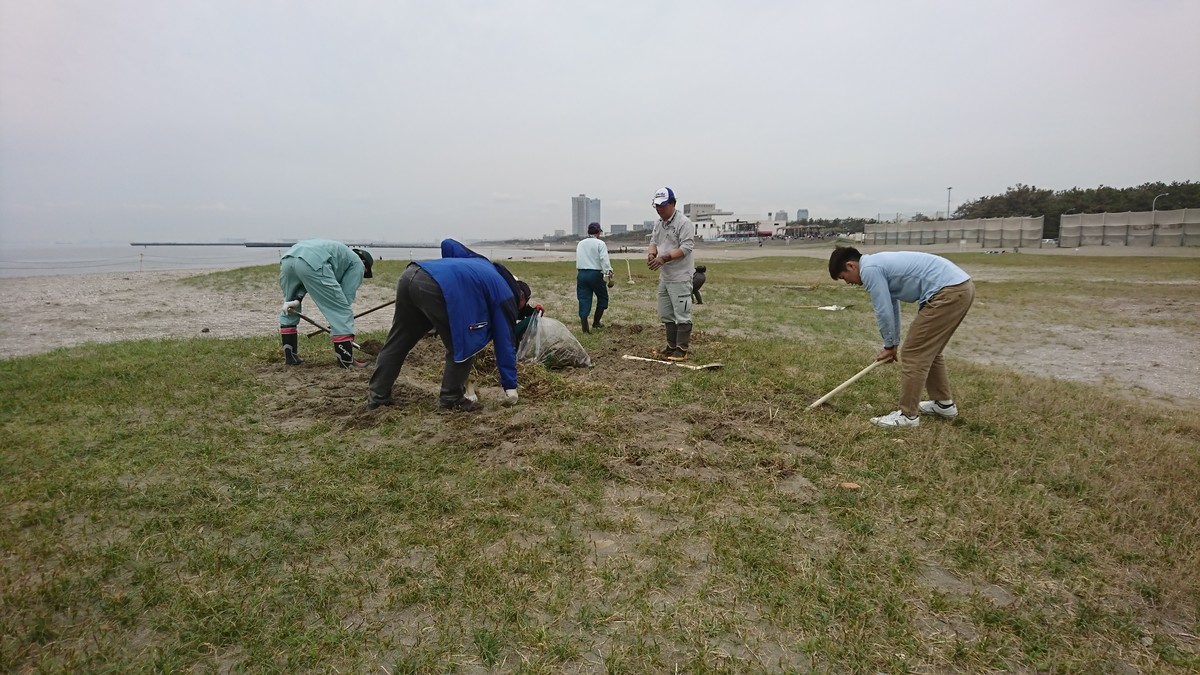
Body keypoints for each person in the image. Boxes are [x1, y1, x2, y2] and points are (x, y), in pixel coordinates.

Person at [367, 239, 530, 412]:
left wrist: (451, 273)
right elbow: (504, 343)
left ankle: (378, 396)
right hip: (436, 288)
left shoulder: (482, 264)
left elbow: (448, 244)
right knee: (465, 343)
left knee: (399, 341)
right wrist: (510, 387)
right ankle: (451, 398)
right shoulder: (506, 295)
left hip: (412, 274)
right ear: (520, 297)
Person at [828, 246, 975, 428]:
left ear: (851, 266)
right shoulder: (876, 264)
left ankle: (908, 416)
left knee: (914, 353)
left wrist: (889, 346)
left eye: (844, 278)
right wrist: (892, 343)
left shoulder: (869, 270)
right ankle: (943, 405)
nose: (848, 283)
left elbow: (883, 311)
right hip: (960, 287)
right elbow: (891, 305)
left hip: (948, 291)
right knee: (930, 351)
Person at [277, 239, 373, 368]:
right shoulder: (357, 263)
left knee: (289, 307)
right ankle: (346, 360)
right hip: (313, 262)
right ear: (364, 263)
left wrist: (297, 299)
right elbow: (345, 297)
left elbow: (307, 276)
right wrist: (338, 323)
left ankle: (290, 356)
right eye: (365, 273)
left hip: (288, 259)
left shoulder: (339, 255)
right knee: (341, 311)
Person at [647, 187, 696, 361]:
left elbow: (687, 247)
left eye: (663, 205)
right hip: (665, 276)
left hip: (680, 276)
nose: (659, 209)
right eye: (657, 206)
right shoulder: (659, 223)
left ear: (673, 204)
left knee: (682, 312)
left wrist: (664, 258)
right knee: (666, 312)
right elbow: (653, 241)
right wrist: (652, 255)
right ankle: (671, 345)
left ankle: (682, 348)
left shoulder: (684, 223)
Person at [575, 222, 614, 334]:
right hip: (595, 274)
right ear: (599, 232)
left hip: (581, 273)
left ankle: (585, 329)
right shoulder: (600, 243)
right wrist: (608, 272)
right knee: (602, 298)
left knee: (584, 299)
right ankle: (596, 323)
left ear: (588, 232)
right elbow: (604, 259)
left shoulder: (580, 244)